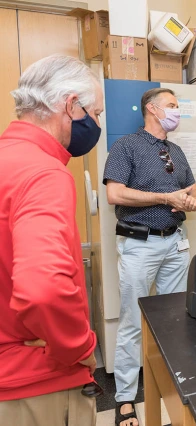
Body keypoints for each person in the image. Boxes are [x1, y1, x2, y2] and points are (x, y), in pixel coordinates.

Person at [0, 55, 103, 425]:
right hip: (33, 383)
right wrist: (80, 348)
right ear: (71, 105)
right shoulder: (43, 172)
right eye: (96, 114)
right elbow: (42, 289)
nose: (97, 124)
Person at [103, 87, 196, 426]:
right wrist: (164, 198)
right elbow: (114, 193)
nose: (177, 111)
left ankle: (176, 392)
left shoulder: (175, 150)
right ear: (152, 109)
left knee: (176, 318)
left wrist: (192, 199)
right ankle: (126, 399)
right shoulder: (126, 146)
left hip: (175, 242)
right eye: (172, 106)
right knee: (134, 320)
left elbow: (194, 188)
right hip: (139, 245)